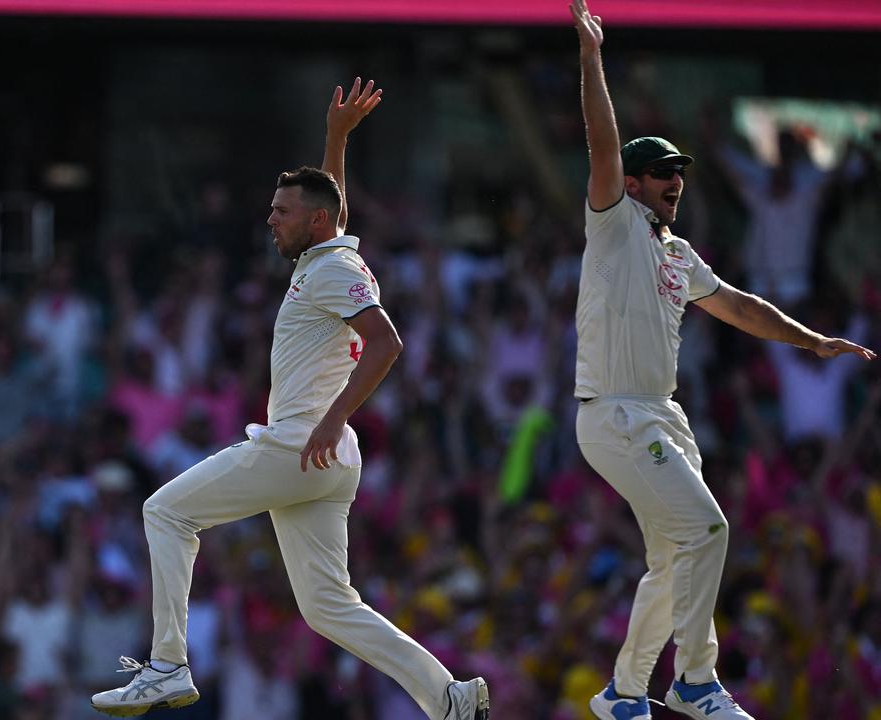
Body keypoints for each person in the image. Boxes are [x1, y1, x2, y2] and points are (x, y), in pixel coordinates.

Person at [90, 78, 490, 720]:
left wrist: (332, 419)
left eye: (281, 210)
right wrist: (335, 138)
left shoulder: (331, 269)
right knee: (329, 606)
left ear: (314, 221)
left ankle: (166, 665)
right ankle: (448, 696)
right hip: (323, 458)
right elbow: (334, 212)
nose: (270, 218)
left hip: (302, 441)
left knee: (165, 512)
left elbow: (387, 344)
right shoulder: (328, 256)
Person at [568, 2, 876, 719]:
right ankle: (694, 680)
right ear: (635, 183)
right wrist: (591, 60)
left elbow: (741, 306)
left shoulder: (677, 253)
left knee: (673, 559)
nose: (674, 179)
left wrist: (812, 340)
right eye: (661, 170)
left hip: (661, 413)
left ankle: (622, 691)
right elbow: (602, 146)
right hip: (613, 412)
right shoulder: (614, 224)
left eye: (680, 170)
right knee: (709, 530)